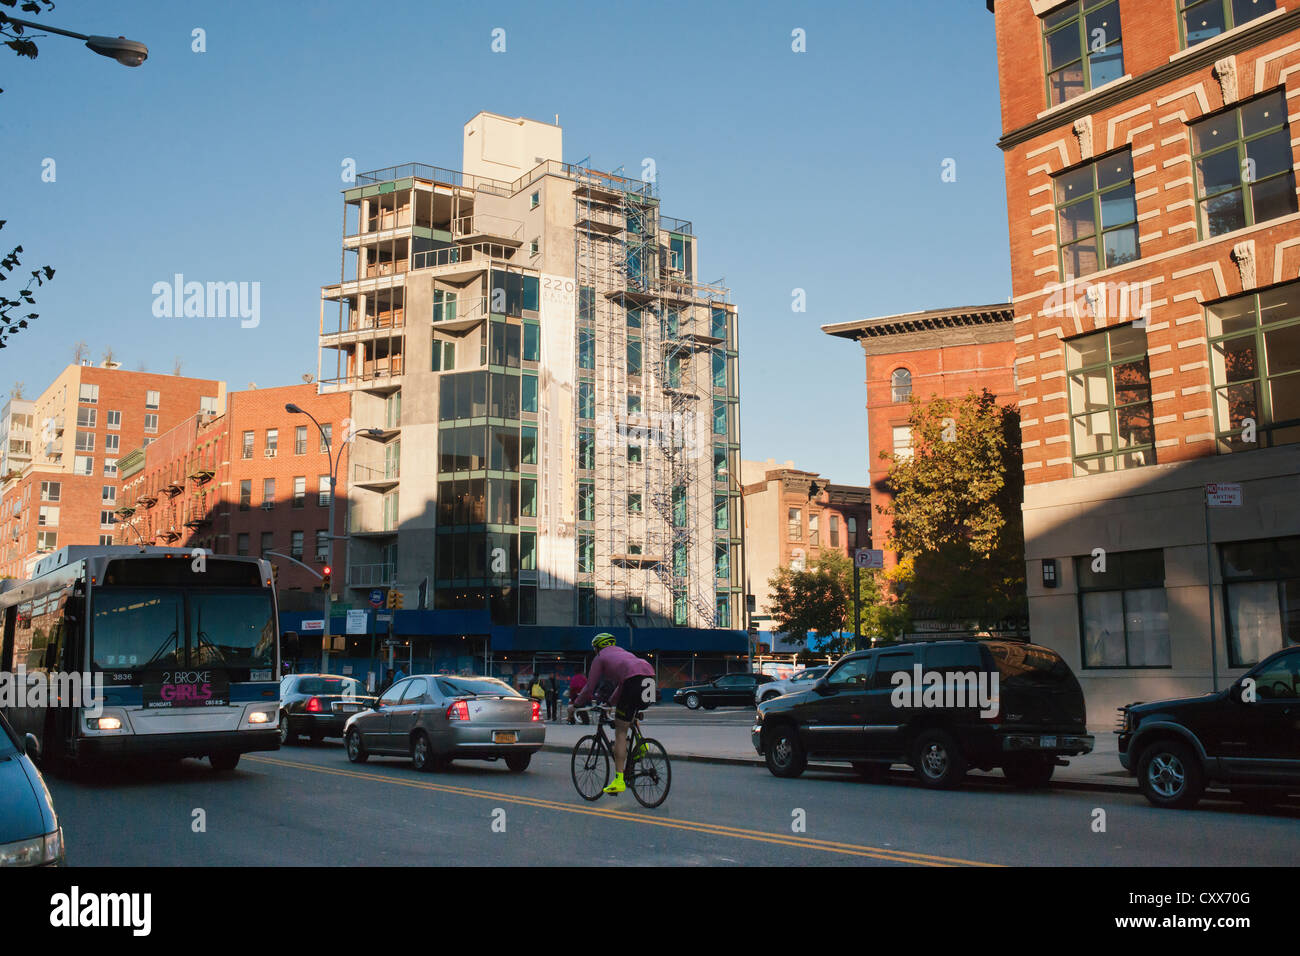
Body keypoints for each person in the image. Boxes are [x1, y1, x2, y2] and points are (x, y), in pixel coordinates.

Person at [567, 633, 655, 795]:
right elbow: (623, 685)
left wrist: (575, 705)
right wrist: (609, 703)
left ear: (597, 647)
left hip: (633, 682)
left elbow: (589, 688)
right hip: (650, 678)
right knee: (630, 715)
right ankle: (642, 746)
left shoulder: (600, 658)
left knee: (620, 731)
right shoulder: (624, 654)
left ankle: (619, 780)